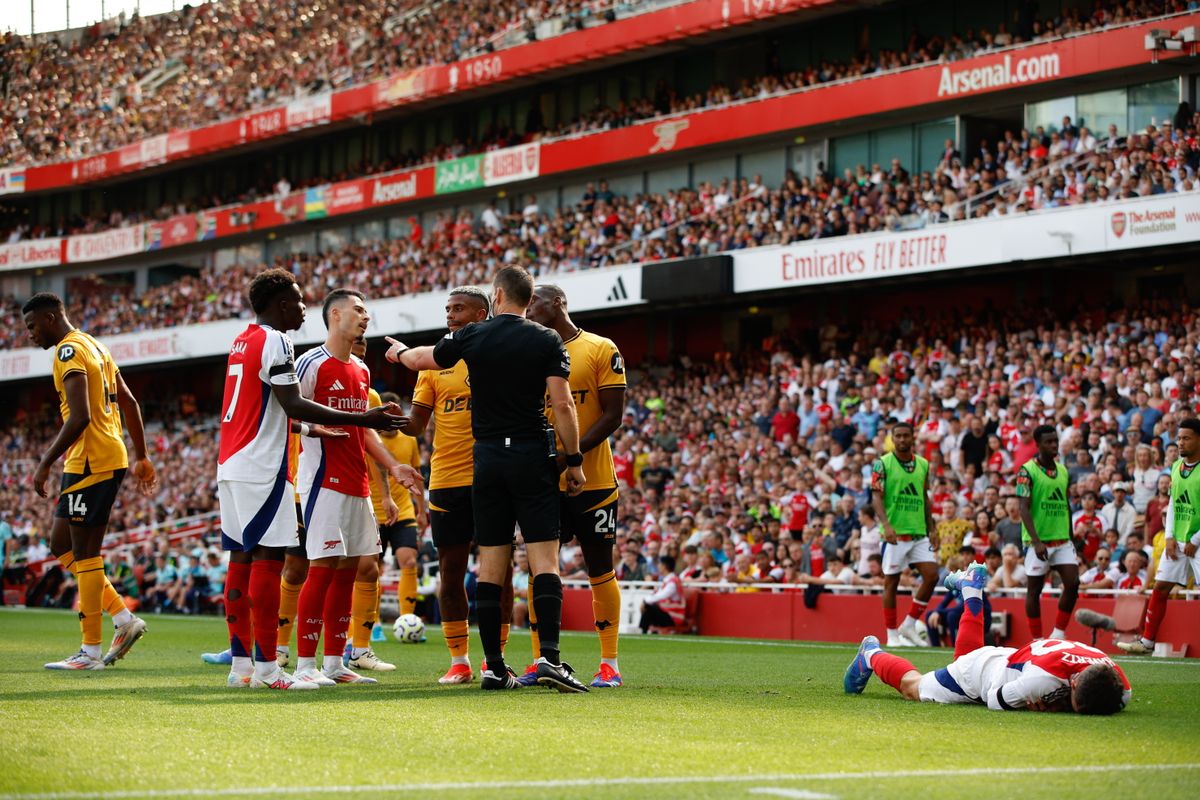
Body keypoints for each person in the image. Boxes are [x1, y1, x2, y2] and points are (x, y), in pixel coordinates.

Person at [385, 266, 588, 692]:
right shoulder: (546, 339)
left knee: (491, 563)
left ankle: (493, 667)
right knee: (543, 561)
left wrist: (400, 352)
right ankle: (548, 659)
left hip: (488, 457)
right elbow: (563, 404)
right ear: (528, 300)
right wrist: (574, 462)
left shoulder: (473, 336)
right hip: (533, 452)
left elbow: (422, 359)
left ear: (496, 295)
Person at [215, 271, 409, 688]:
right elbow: (293, 402)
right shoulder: (280, 342)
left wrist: (310, 430)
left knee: (243, 561)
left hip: (234, 460)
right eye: (300, 301)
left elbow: (268, 407)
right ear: (283, 303)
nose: (304, 307)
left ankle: (243, 667)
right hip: (267, 466)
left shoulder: (242, 340)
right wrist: (359, 418)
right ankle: (270, 669)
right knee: (268, 562)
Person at [291, 290, 423, 686]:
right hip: (323, 483)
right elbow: (287, 414)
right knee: (322, 568)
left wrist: (394, 465)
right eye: (359, 310)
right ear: (335, 314)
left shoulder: (362, 372)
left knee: (351, 571)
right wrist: (316, 430)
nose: (366, 317)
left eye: (366, 311)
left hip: (358, 484)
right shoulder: (310, 363)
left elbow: (363, 431)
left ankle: (335, 663)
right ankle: (302, 666)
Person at [23, 292, 158, 671]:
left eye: (33, 327)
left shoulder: (68, 351)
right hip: (96, 457)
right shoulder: (96, 345)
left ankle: (90, 652)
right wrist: (142, 454)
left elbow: (80, 415)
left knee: (85, 554)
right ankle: (123, 618)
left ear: (51, 318)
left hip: (92, 459)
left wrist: (44, 462)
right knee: (60, 544)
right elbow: (129, 401)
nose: (31, 335)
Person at [403, 286, 515, 685]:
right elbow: (416, 424)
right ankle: (459, 661)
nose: (450, 314)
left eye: (459, 308)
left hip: (494, 474)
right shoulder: (435, 363)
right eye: (447, 308)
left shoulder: (501, 354)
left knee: (498, 571)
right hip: (447, 479)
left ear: (482, 313)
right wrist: (375, 419)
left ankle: (494, 659)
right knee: (450, 572)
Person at [845, 563, 1130, 715]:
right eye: (1074, 702)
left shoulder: (1119, 683)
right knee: (913, 687)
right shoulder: (1043, 681)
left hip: (1003, 659)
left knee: (967, 657)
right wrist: (1053, 705)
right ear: (1075, 682)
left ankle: (972, 591)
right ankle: (870, 653)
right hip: (982, 676)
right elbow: (994, 700)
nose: (1072, 708)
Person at [527, 283, 627, 688]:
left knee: (600, 569)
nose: (529, 307)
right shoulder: (530, 355)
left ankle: (609, 664)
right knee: (540, 570)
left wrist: (571, 454)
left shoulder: (602, 348)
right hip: (542, 481)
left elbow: (612, 415)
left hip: (595, 479)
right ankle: (541, 660)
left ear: (558, 304)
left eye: (535, 300)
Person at [1119, 418, 1200, 655]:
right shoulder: (1176, 466)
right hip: (1178, 541)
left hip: (1197, 542)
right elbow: (1174, 503)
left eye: (1186, 438)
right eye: (1179, 438)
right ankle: (1147, 642)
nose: (1181, 443)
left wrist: (1195, 541)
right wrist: (1171, 536)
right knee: (1160, 586)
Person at [362, 388, 426, 647]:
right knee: (372, 569)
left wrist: (421, 510)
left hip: (404, 509)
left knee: (408, 560)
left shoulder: (408, 441)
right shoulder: (371, 438)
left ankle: (407, 619)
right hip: (374, 511)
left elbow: (417, 473)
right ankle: (374, 622)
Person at [871, 421, 940, 647]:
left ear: (913, 438)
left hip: (918, 531)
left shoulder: (923, 464)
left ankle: (909, 624)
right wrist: (886, 525)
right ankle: (891, 633)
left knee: (931, 576)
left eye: (905, 436)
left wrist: (932, 527)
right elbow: (876, 497)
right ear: (893, 438)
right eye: (898, 436)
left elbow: (924, 497)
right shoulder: (883, 464)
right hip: (895, 533)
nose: (902, 440)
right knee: (891, 581)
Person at [1016, 425, 1080, 641]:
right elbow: (1023, 507)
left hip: (1062, 539)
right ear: (1038, 444)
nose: (1054, 445)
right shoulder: (1026, 471)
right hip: (1038, 542)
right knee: (1034, 590)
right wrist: (1036, 541)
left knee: (1072, 584)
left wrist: (1071, 537)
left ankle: (1058, 634)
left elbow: (1065, 504)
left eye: (1055, 440)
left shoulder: (1062, 470)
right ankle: (1036, 640)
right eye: (1049, 442)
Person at [639, 554, 685, 633]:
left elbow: (661, 596)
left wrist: (645, 601)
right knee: (650, 606)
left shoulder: (672, 582)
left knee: (650, 606)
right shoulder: (667, 580)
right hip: (667, 613)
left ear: (664, 566)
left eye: (660, 564)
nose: (658, 566)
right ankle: (646, 630)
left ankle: (643, 631)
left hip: (674, 616)